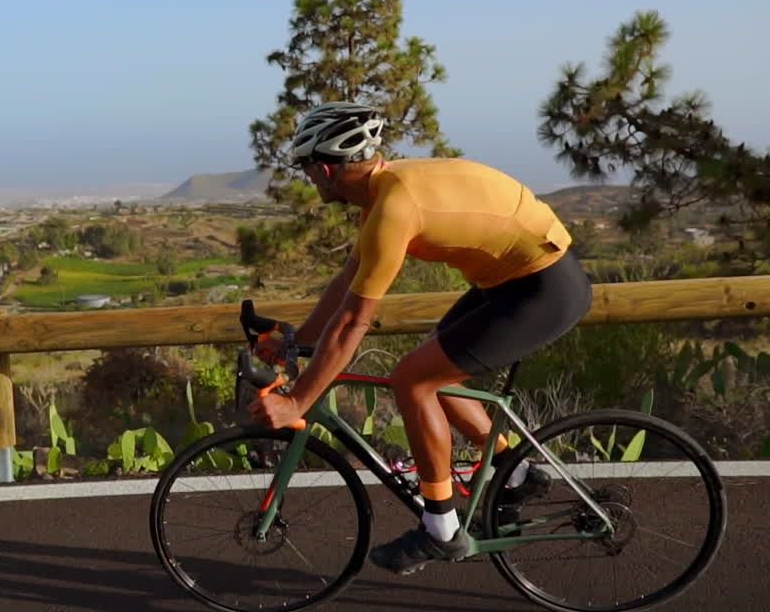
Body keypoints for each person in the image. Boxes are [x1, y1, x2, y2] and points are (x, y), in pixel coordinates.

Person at [247, 101, 593, 575]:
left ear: (325, 168)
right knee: (433, 367)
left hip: (542, 289)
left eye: (307, 169)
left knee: (412, 380)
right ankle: (515, 472)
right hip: (512, 283)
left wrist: (297, 403)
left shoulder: (393, 206)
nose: (308, 178)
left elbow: (352, 325)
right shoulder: (382, 191)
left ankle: (442, 531)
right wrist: (296, 339)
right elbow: (351, 278)